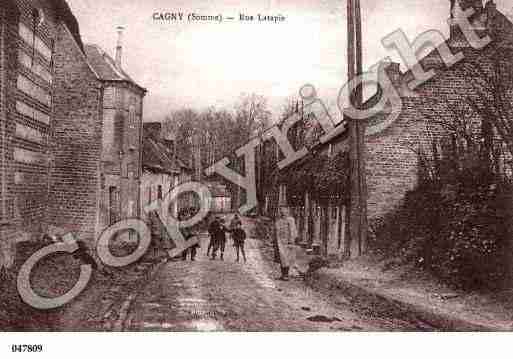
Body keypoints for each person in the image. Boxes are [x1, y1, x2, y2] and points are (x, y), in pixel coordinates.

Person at [274, 206, 299, 281]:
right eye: (281, 210)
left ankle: (286, 275)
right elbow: (276, 232)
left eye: (284, 210)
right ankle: (283, 274)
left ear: (287, 210)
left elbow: (293, 231)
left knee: (286, 259)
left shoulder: (290, 220)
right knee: (281, 259)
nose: (282, 212)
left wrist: (291, 241)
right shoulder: (278, 221)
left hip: (287, 242)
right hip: (279, 242)